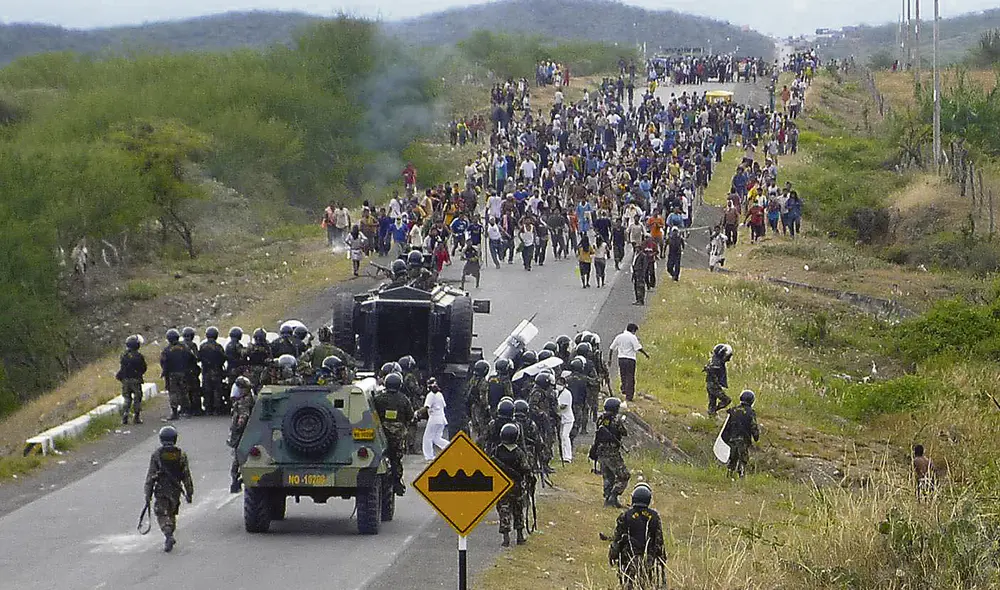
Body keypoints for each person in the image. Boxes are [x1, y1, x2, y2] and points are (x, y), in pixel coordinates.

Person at [144, 426, 194, 553]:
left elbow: (151, 476)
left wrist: (148, 493)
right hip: (176, 490)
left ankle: (168, 534)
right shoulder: (181, 455)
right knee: (171, 513)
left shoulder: (157, 455)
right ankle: (170, 532)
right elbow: (186, 476)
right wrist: (189, 492)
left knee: (161, 513)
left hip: (162, 489)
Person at [609, 483, 667, 590]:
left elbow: (617, 540)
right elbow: (659, 542)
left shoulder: (625, 516)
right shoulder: (654, 516)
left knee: (628, 585)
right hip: (648, 560)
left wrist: (613, 556)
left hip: (629, 559)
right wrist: (661, 561)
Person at [374, 372, 415, 496]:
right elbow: (410, 416)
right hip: (397, 437)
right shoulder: (404, 399)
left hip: (381, 434)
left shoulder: (378, 398)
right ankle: (397, 482)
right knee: (396, 459)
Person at [491, 423, 532, 547]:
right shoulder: (519, 452)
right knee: (518, 511)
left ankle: (506, 538)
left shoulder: (496, 451)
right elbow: (526, 468)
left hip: (502, 487)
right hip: (516, 487)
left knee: (504, 511)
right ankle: (520, 536)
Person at [591, 397, 629, 508]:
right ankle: (613, 496)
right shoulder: (616, 421)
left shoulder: (600, 419)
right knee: (624, 476)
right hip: (612, 453)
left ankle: (608, 500)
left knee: (608, 476)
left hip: (600, 452)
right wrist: (622, 421)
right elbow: (624, 432)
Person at [721, 390, 759, 478]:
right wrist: (756, 436)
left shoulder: (733, 410)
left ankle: (729, 475)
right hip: (743, 440)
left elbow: (726, 426)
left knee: (732, 458)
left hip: (732, 439)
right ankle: (741, 476)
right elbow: (753, 426)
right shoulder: (750, 412)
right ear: (751, 401)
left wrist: (725, 438)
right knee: (743, 459)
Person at [160, 329, 195, 420]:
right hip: (184, 373)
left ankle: (175, 413)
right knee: (184, 391)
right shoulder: (185, 347)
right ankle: (187, 411)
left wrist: (164, 372)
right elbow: (192, 358)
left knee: (173, 392)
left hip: (172, 374)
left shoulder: (166, 350)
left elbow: (163, 362)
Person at [609, 323, 649, 402]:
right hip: (630, 359)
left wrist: (610, 359)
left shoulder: (619, 337)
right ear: (633, 330)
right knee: (630, 377)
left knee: (623, 375)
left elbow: (611, 348)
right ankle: (629, 396)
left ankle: (624, 388)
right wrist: (645, 354)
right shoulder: (632, 337)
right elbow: (638, 348)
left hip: (621, 359)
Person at [227, 377, 254, 493]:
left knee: (238, 458)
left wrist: (238, 427)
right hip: (244, 434)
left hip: (241, 435)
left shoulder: (244, 402)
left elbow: (243, 416)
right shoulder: (249, 399)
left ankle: (236, 481)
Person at [116, 335, 147, 425]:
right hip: (136, 380)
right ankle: (136, 417)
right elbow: (143, 368)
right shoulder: (139, 356)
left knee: (127, 399)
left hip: (125, 380)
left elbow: (122, 368)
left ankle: (125, 416)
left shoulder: (123, 355)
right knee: (137, 398)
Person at [418, 377, 449, 461]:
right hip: (442, 418)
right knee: (436, 438)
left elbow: (426, 407)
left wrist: (417, 412)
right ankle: (450, 447)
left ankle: (429, 456)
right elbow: (444, 406)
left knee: (427, 438)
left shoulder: (430, 395)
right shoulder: (440, 394)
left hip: (434, 418)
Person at [199, 327, 227, 415]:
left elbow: (199, 358)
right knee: (217, 390)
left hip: (206, 372)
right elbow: (223, 358)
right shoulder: (218, 347)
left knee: (207, 390)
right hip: (217, 371)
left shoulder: (203, 346)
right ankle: (217, 409)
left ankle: (208, 409)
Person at [704, 343, 733, 416]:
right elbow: (712, 369)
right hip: (714, 386)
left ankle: (712, 414)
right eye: (727, 356)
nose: (728, 359)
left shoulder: (714, 361)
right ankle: (713, 411)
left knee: (712, 402)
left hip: (711, 385)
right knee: (726, 400)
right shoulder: (717, 364)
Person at [556, 373, 574, 462]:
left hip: (568, 419)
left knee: (565, 436)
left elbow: (563, 406)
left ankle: (568, 456)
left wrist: (555, 408)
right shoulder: (557, 392)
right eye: (557, 383)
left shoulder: (567, 394)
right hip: (562, 418)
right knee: (561, 437)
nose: (558, 385)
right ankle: (563, 455)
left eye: (560, 384)